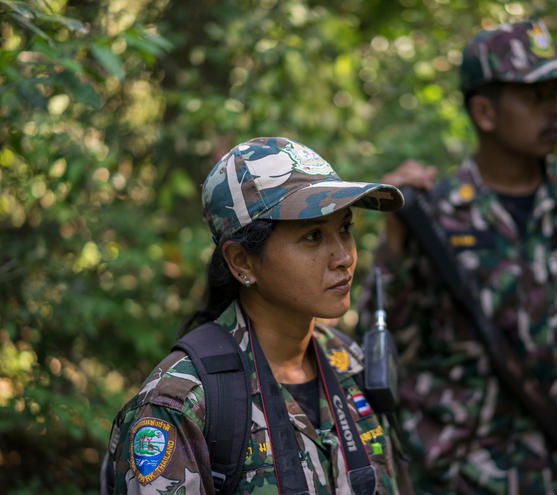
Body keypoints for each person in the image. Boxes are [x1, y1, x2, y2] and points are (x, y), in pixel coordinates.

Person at [359, 19, 557, 494]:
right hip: (458, 476)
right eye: (535, 96)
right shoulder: (434, 213)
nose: (555, 110)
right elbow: (385, 342)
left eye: (556, 93)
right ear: (484, 112)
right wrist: (395, 235)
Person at [103, 136, 406, 494]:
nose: (344, 257)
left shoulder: (349, 363)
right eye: (312, 236)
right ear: (242, 261)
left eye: (345, 229)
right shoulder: (182, 402)